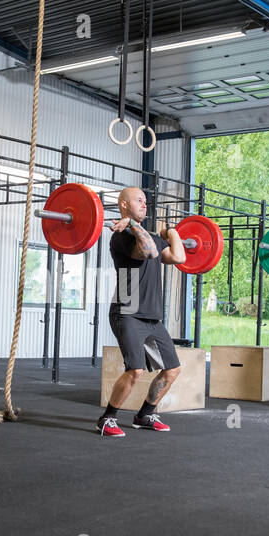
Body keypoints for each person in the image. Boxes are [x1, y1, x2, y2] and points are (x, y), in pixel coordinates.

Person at [99, 187, 186, 437]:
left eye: (146, 201)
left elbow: (179, 256)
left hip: (152, 317)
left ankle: (145, 414)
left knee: (172, 369)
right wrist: (129, 225)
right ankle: (107, 419)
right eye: (139, 201)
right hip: (127, 311)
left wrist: (171, 232)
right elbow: (148, 251)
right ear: (124, 205)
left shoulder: (151, 236)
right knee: (135, 369)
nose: (145, 204)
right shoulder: (121, 237)